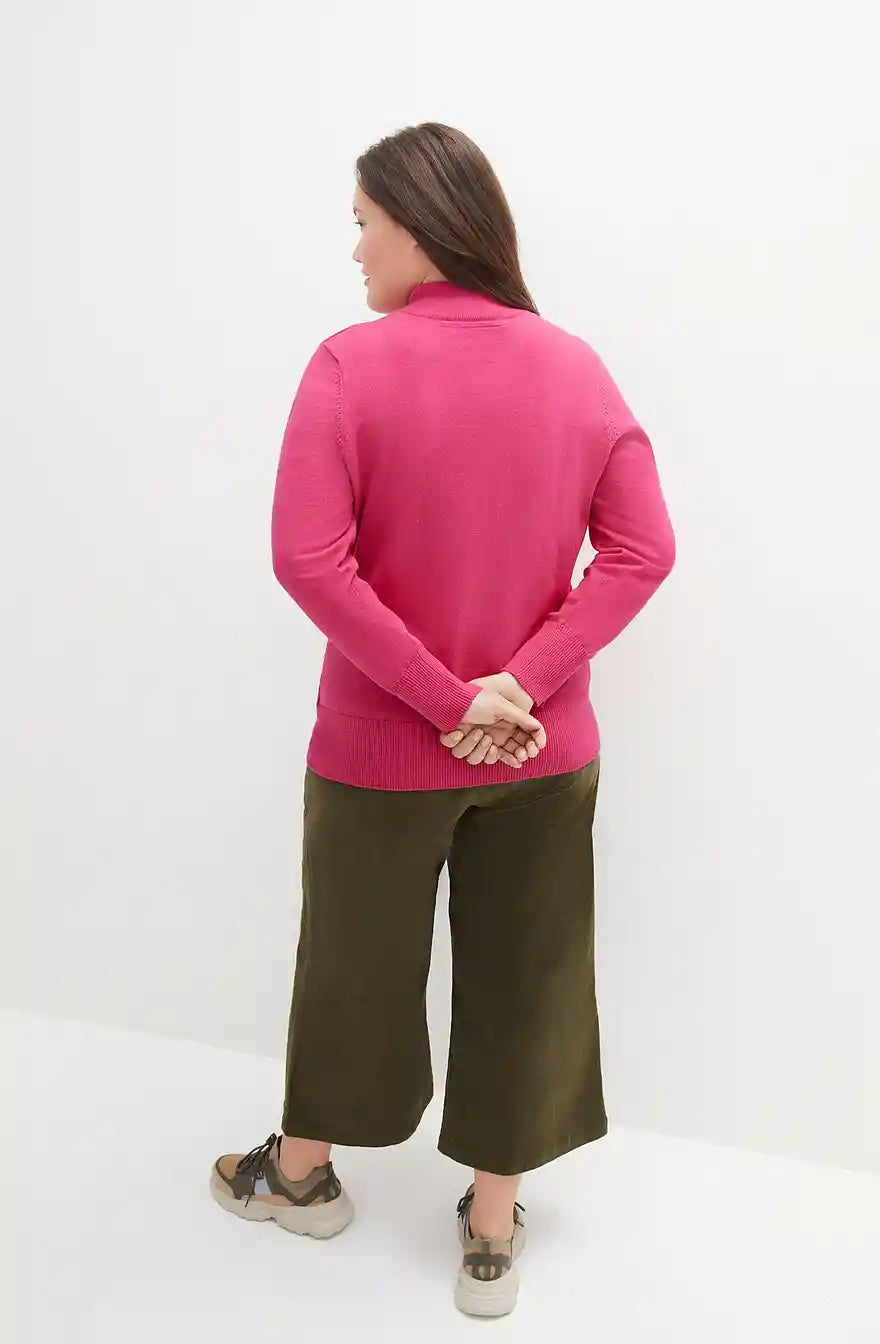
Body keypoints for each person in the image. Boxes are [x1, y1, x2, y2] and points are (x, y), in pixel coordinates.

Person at [208, 121, 676, 1318]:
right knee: (531, 974)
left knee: (351, 963)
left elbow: (308, 562)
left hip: (380, 750)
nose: (355, 247)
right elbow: (643, 551)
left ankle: (301, 1177)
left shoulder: (347, 366)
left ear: (418, 228)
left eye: (364, 222)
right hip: (542, 751)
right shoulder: (575, 367)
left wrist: (446, 700)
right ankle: (491, 1227)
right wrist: (519, 687)